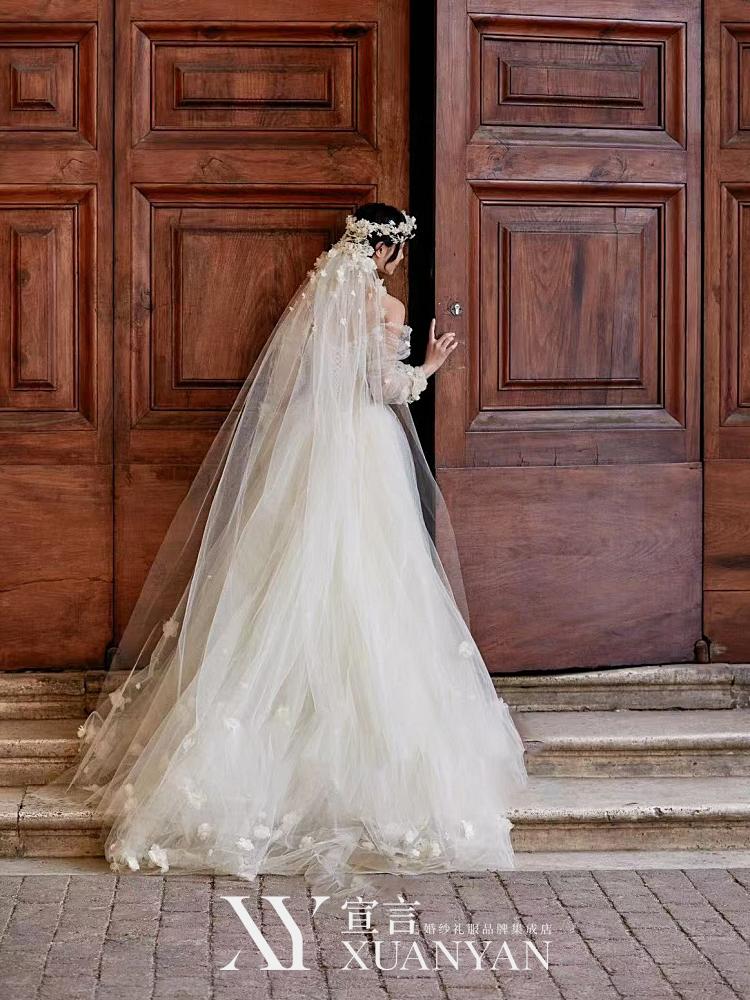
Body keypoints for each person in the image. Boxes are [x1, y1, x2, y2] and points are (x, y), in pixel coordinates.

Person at [47, 203, 528, 896]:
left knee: (288, 574)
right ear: (387, 251)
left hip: (308, 446)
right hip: (364, 448)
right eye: (398, 252)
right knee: (372, 578)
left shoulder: (321, 295)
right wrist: (429, 366)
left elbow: (309, 375)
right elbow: (380, 387)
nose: (399, 264)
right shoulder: (385, 307)